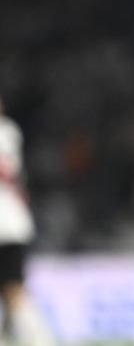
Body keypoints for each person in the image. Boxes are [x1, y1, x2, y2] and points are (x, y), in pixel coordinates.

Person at [0, 97, 56, 346]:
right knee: (11, 290)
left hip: (6, 226)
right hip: (14, 223)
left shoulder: (6, 131)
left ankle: (38, 339)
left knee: (13, 290)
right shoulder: (10, 132)